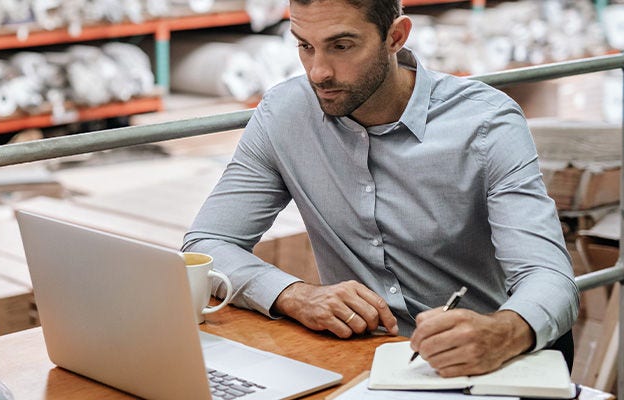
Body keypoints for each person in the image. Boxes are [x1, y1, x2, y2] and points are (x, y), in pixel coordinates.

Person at [182, 0, 579, 378]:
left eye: (341, 46)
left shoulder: (487, 123)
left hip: (477, 364)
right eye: (305, 46)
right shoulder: (283, 114)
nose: (318, 71)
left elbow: (548, 275)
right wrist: (294, 294)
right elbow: (205, 244)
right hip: (354, 359)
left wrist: (504, 331)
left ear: (396, 37)